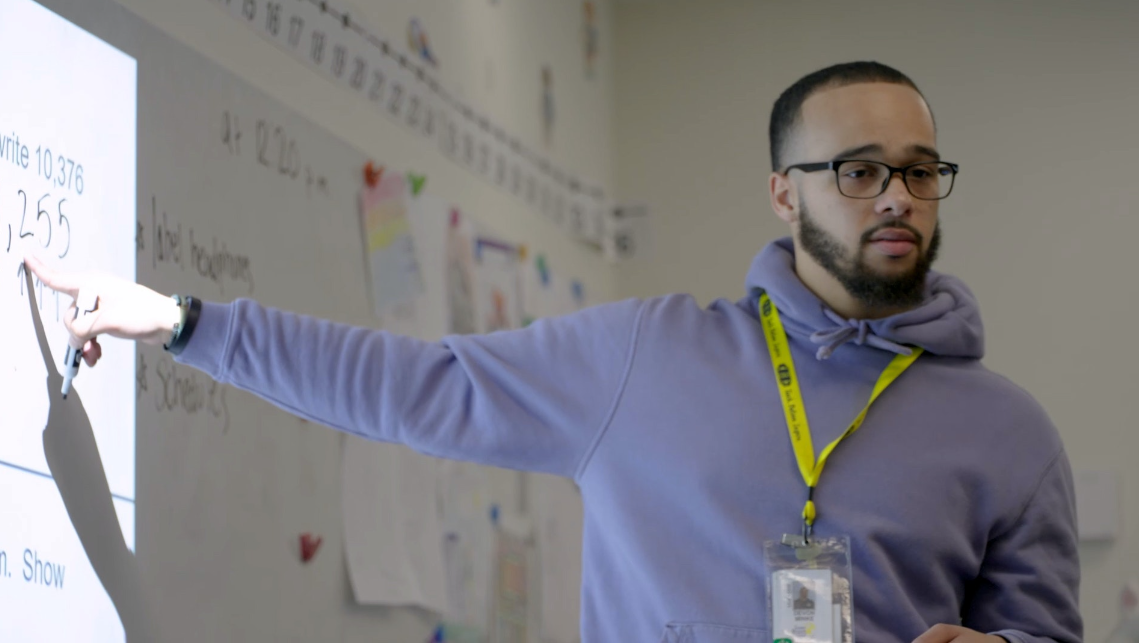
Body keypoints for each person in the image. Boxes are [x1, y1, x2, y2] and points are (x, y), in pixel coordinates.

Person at [24, 61, 1081, 643]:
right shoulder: (642, 357)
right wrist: (185, 322)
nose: (894, 194)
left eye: (917, 168)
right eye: (856, 169)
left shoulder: (1010, 434)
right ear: (782, 191)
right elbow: (413, 388)